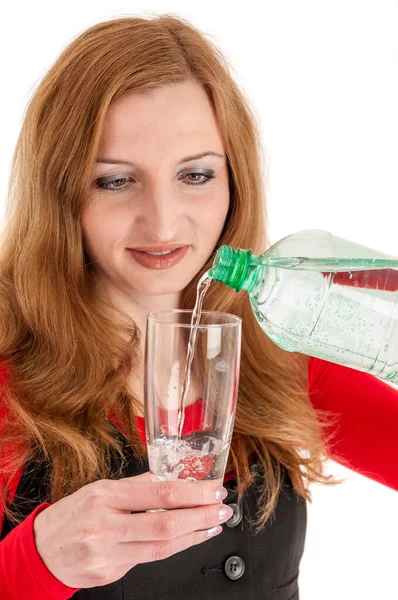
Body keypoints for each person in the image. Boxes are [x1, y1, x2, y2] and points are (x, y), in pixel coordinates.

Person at [0, 13, 397, 600]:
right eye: (114, 181)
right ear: (58, 189)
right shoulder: (11, 387)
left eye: (195, 174)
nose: (162, 221)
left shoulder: (281, 364)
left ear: (233, 180)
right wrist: (32, 563)